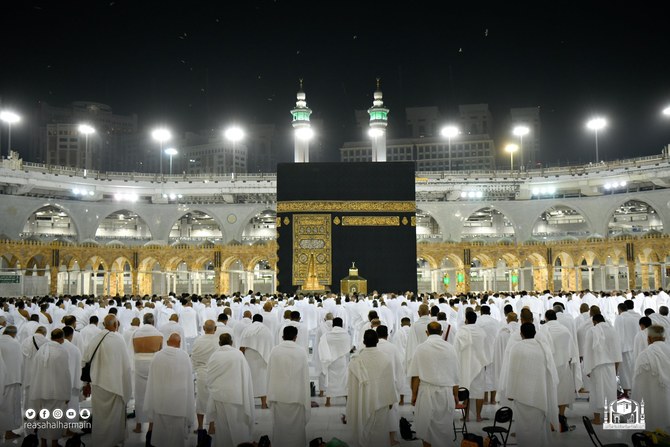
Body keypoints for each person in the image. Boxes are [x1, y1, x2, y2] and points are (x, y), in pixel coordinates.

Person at [504, 323, 559, 447]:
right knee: (538, 428)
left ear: (521, 334)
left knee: (523, 429)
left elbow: (512, 371)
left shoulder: (516, 348)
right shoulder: (543, 348)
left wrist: (510, 393)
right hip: (539, 394)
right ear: (535, 332)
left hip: (521, 395)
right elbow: (550, 372)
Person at [82, 314, 133, 447]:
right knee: (114, 418)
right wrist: (126, 386)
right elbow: (126, 366)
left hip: (98, 384)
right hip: (115, 386)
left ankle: (99, 442)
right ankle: (112, 443)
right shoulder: (118, 339)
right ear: (115, 325)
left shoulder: (95, 339)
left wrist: (86, 384)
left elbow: (85, 361)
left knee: (100, 417)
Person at [407, 321, 460, 447]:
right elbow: (455, 375)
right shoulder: (450, 349)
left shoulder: (421, 348)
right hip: (446, 393)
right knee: (445, 428)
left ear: (427, 332)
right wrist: (456, 395)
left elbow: (416, 376)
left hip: (427, 393)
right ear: (441, 333)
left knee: (427, 429)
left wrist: (414, 395)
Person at [347, 329, 397, 447]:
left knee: (362, 432)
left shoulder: (355, 360)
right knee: (379, 433)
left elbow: (351, 385)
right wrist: (390, 400)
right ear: (377, 341)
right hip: (380, 401)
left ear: (364, 342)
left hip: (361, 402)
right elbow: (389, 381)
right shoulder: (385, 358)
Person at [143, 333, 195, 447]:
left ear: (167, 342)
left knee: (160, 437)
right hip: (179, 404)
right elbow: (189, 381)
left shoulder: (157, 356)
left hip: (161, 402)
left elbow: (152, 379)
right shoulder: (185, 356)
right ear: (180, 343)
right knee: (176, 439)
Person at [206, 333, 255, 447]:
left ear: (219, 343)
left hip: (219, 395)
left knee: (222, 428)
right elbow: (246, 375)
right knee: (238, 427)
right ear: (231, 342)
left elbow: (210, 377)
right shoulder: (238, 355)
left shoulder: (214, 355)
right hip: (236, 395)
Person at [267, 325, 311, 447]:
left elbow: (269, 372)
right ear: (295, 337)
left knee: (280, 426)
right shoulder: (301, 351)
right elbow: (305, 375)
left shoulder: (275, 350)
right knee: (297, 428)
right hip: (297, 395)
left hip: (278, 394)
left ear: (282, 336)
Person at [29, 328, 72, 447]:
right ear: (62, 339)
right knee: (56, 418)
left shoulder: (42, 350)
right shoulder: (62, 351)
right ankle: (54, 443)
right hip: (57, 391)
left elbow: (35, 370)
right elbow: (65, 374)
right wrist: (67, 393)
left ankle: (43, 442)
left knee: (43, 417)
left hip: (42, 389)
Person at [540, 309, 580, 431]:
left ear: (546, 318)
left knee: (549, 392)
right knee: (562, 392)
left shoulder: (543, 329)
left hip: (548, 366)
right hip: (563, 365)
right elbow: (572, 350)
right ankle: (561, 417)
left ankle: (550, 420)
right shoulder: (564, 330)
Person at [582, 313, 622, 425]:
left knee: (596, 392)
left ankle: (597, 419)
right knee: (610, 392)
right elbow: (617, 351)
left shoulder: (591, 331)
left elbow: (587, 351)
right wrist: (616, 368)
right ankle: (609, 418)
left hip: (596, 366)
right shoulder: (613, 331)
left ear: (594, 322)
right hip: (610, 366)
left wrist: (587, 369)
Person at [453, 310, 490, 422]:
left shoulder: (461, 332)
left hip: (465, 365)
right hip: (479, 364)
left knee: (466, 389)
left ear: (466, 320)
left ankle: (466, 416)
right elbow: (485, 348)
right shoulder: (482, 332)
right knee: (479, 392)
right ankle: (478, 416)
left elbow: (455, 349)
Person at [632, 325, 670, 431]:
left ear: (649, 338)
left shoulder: (644, 355)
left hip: (651, 407)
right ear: (664, 338)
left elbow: (638, 387)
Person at [132, 312, 164, 433]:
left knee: (139, 395)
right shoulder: (159, 334)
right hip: (154, 363)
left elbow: (134, 350)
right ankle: (151, 425)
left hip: (139, 364)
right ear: (153, 322)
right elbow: (161, 352)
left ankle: (139, 425)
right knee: (153, 394)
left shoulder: (136, 333)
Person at [376, 325, 405, 445]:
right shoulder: (393, 348)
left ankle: (377, 436)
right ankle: (391, 438)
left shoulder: (373, 347)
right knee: (392, 412)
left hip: (376, 385)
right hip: (391, 384)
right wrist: (399, 387)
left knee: (377, 411)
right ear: (387, 335)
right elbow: (399, 368)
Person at [239, 314, 274, 409]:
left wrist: (241, 358)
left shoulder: (247, 329)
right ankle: (264, 403)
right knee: (262, 380)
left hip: (249, 356)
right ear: (262, 321)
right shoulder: (266, 330)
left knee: (249, 379)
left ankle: (248, 405)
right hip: (262, 357)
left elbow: (241, 346)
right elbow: (270, 344)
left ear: (252, 320)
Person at [191, 319, 220, 433]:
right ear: (215, 329)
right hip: (216, 374)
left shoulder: (198, 341)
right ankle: (212, 426)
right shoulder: (218, 341)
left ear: (203, 328)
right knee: (214, 400)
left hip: (202, 373)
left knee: (201, 401)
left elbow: (194, 357)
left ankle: (200, 426)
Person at [318, 317, 351, 407]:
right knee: (344, 380)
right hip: (342, 361)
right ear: (342, 324)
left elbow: (322, 345)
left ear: (333, 324)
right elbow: (348, 347)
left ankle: (328, 401)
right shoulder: (346, 335)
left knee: (330, 381)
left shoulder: (327, 335)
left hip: (331, 360)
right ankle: (347, 399)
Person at [0, 325, 22, 441]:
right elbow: (20, 362)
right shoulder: (15, 344)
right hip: (12, 379)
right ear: (13, 334)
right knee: (10, 408)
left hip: (1, 379)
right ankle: (8, 432)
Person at [61, 325, 83, 418]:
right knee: (71, 408)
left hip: (57, 385)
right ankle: (70, 429)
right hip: (72, 384)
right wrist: (79, 384)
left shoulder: (55, 347)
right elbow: (79, 367)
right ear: (71, 335)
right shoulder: (75, 349)